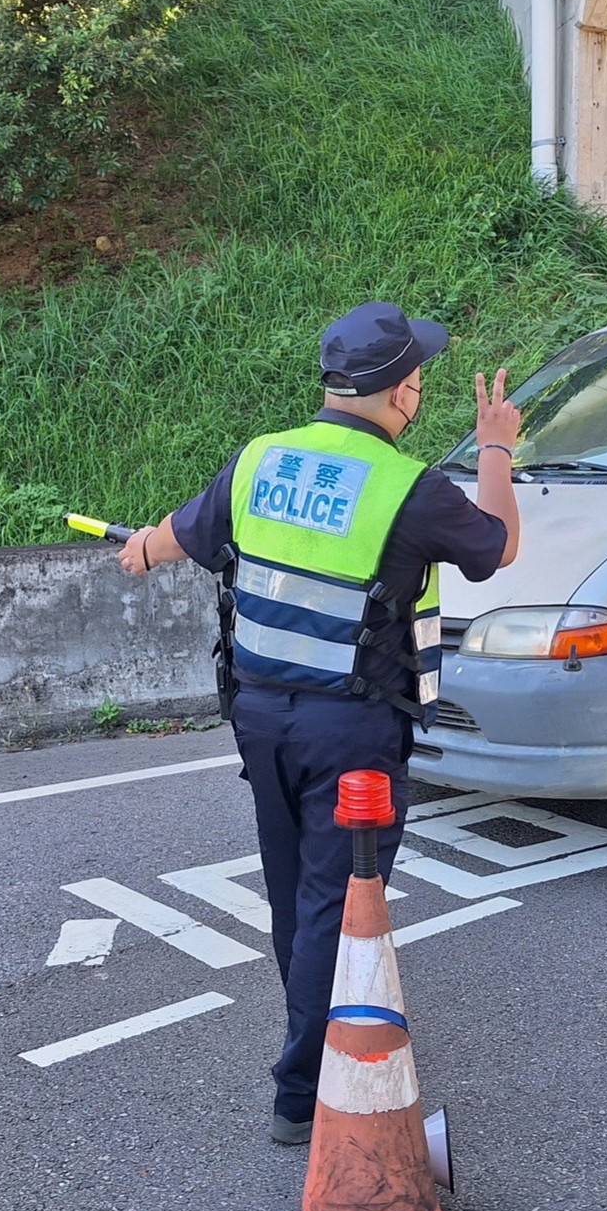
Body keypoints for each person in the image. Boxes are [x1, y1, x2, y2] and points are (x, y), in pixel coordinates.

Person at [119, 303, 523, 1144]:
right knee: (336, 905)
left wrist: (143, 548)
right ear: (399, 391)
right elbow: (497, 545)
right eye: (418, 380)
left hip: (261, 721)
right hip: (354, 733)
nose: (420, 392)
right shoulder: (409, 489)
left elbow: (181, 534)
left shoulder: (260, 458)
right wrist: (496, 444)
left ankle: (310, 1054)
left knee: (294, 892)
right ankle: (304, 1092)